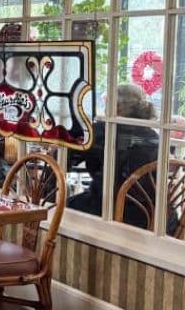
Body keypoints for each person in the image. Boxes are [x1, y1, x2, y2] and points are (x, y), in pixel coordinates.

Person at [68, 83, 162, 230]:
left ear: (116, 105)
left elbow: (67, 157)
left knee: (60, 207)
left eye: (107, 101)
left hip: (114, 211)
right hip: (154, 214)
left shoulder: (102, 130)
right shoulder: (151, 135)